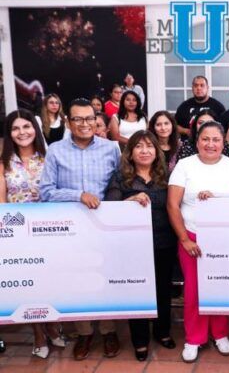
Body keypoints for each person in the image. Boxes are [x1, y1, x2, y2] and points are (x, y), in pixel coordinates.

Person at [40, 98, 121, 361]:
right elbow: (46, 192)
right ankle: (84, 333)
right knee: (77, 279)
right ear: (68, 122)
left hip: (104, 227)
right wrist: (78, 195)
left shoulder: (111, 149)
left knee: (105, 278)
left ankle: (109, 330)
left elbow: (121, 183)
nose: (84, 124)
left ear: (96, 120)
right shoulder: (55, 151)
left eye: (89, 119)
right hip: (71, 229)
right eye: (78, 119)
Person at [167, 121, 229, 362]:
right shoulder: (184, 165)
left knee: (220, 287)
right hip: (191, 237)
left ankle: (220, 333)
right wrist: (184, 239)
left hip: (223, 239)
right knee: (193, 290)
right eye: (205, 139)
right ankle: (194, 338)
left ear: (224, 143)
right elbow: (172, 205)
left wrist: (216, 204)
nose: (210, 144)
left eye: (216, 140)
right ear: (197, 142)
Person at [0, 110, 66, 359]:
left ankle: (52, 326)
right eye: (15, 128)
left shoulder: (50, 157)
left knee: (50, 282)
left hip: (49, 231)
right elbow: (2, 201)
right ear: (9, 133)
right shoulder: (4, 163)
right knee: (29, 284)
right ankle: (38, 333)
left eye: (26, 126)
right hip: (19, 234)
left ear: (35, 129)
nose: (22, 132)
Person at [105, 131, 177, 362]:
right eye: (139, 146)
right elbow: (109, 207)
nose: (144, 151)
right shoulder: (120, 177)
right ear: (130, 152)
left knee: (163, 290)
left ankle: (162, 331)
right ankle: (140, 340)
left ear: (157, 151)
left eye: (149, 146)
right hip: (132, 246)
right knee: (136, 291)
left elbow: (178, 203)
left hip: (164, 242)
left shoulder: (167, 175)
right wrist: (128, 201)